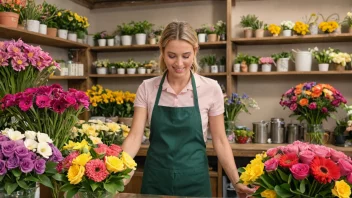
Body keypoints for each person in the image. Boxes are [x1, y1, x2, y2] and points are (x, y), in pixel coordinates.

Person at [122, 21, 256, 197]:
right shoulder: (147, 88)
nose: (179, 63)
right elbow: (134, 137)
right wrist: (117, 172)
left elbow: (220, 141)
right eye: (171, 55)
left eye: (185, 56)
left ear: (195, 51)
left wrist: (237, 182)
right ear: (162, 51)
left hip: (195, 180)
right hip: (156, 179)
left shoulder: (211, 88)